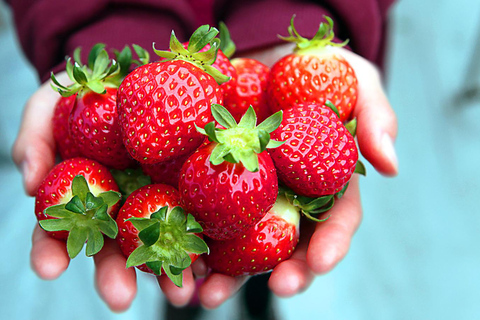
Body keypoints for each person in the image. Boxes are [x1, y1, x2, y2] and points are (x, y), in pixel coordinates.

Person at [7, 0, 398, 316]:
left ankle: (250, 294)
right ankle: (204, 294)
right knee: (218, 237)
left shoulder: (235, 140)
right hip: (207, 208)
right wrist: (102, 29)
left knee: (252, 236)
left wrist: (301, 11)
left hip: (240, 206)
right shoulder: (179, 113)